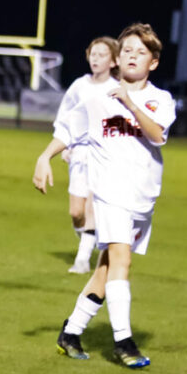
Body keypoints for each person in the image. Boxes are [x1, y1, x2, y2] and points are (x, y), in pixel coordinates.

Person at [32, 23, 176, 369]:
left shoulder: (160, 100)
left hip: (142, 196)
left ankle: (71, 332)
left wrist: (129, 102)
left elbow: (157, 135)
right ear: (118, 57)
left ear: (152, 63)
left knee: (107, 268)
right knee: (121, 261)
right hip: (110, 193)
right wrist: (44, 156)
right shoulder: (96, 99)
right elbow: (68, 129)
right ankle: (123, 342)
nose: (131, 56)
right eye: (126, 50)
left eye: (140, 52)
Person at [54, 36, 120, 274]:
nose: (96, 58)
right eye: (93, 54)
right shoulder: (80, 86)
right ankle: (88, 237)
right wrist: (65, 145)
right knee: (76, 212)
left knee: (92, 208)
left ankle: (82, 260)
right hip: (79, 153)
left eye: (102, 55)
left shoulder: (116, 90)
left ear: (113, 61)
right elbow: (65, 116)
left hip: (102, 154)